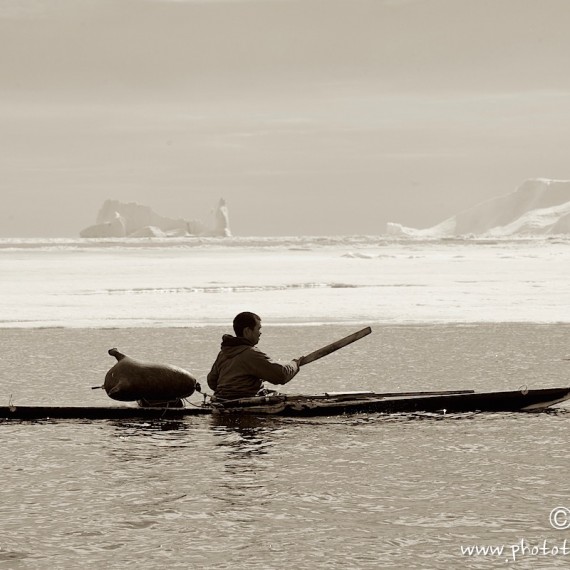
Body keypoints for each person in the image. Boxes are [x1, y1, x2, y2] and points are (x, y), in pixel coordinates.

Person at [207, 312, 303, 400]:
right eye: (258, 328)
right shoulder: (250, 353)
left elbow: (212, 382)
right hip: (244, 404)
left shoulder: (223, 353)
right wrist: (295, 364)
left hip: (222, 401)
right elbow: (280, 375)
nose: (260, 333)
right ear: (247, 331)